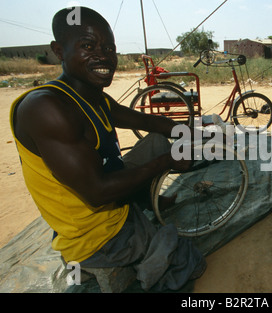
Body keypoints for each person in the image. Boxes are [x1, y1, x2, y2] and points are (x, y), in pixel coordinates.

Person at [9, 6, 205, 292]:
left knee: (154, 141)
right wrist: (168, 161)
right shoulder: (47, 108)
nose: (103, 56)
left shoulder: (91, 96)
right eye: (87, 46)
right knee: (189, 259)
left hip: (106, 196)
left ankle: (147, 204)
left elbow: (142, 119)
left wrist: (188, 132)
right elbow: (98, 192)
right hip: (95, 233)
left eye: (109, 48)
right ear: (59, 51)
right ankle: (115, 261)